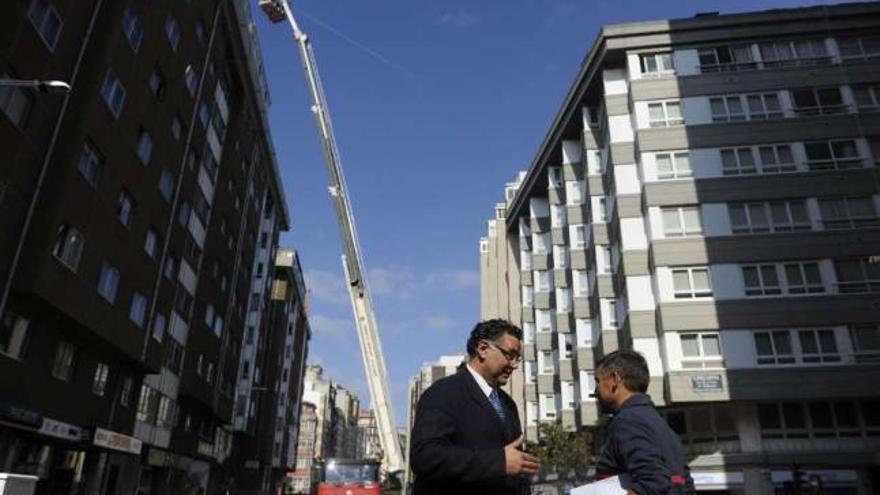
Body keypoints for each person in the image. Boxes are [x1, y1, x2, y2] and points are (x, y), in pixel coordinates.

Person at [410, 319, 538, 494]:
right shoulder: (443, 393)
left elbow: (515, 466)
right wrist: (498, 462)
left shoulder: (508, 404)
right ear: (483, 349)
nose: (514, 365)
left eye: (518, 358)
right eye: (510, 355)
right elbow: (426, 458)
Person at [594, 350, 694, 495]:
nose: (596, 390)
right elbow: (686, 483)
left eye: (598, 381)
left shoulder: (628, 422)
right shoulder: (657, 422)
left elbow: (653, 481)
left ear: (615, 379)